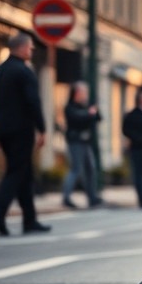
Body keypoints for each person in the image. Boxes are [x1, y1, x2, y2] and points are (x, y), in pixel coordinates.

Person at [0, 32, 51, 236]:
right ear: (22, 48)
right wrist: (42, 128)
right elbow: (33, 102)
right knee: (16, 172)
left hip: (2, 130)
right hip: (21, 130)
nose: (31, 50)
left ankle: (30, 220)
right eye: (30, 47)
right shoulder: (24, 72)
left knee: (25, 173)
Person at [61, 81, 103, 209]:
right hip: (75, 142)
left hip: (86, 142)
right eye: (84, 92)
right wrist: (89, 114)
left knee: (90, 168)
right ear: (77, 92)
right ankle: (66, 197)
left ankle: (92, 197)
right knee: (76, 169)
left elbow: (98, 117)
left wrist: (93, 112)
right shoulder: (70, 107)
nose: (86, 95)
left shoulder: (85, 106)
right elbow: (78, 119)